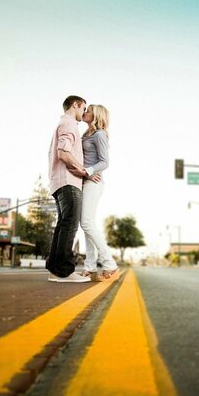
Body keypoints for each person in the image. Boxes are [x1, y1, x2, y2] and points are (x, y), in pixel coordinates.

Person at [46, 95, 98, 283]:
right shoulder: (69, 125)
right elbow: (63, 152)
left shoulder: (62, 124)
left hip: (59, 181)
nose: (84, 112)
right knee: (69, 225)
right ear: (75, 105)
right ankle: (64, 272)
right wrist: (85, 171)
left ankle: (55, 271)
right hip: (68, 182)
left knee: (63, 225)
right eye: (83, 108)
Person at [79, 104, 120, 280]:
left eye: (88, 111)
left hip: (94, 182)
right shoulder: (86, 134)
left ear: (95, 115)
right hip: (85, 182)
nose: (85, 112)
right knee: (87, 224)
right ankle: (90, 266)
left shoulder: (100, 134)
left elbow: (105, 162)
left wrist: (87, 172)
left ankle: (109, 262)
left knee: (86, 222)